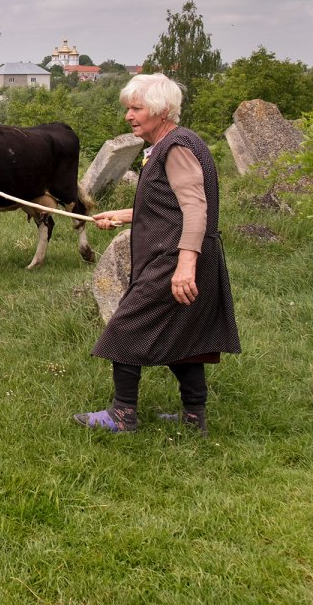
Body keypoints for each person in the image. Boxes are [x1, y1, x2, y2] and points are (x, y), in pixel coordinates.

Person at [75, 73, 240, 435]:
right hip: (180, 255)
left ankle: (122, 415)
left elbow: (196, 209)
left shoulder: (176, 148)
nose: (129, 116)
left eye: (137, 108)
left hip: (174, 258)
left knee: (125, 327)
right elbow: (170, 205)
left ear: (162, 111)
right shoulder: (174, 143)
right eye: (128, 108)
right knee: (186, 337)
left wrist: (185, 265)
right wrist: (122, 216)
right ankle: (194, 419)